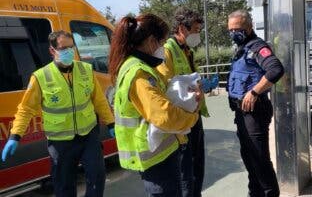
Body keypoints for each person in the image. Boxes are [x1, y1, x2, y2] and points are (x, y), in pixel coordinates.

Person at [1, 30, 115, 197]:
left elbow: (99, 101)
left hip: (88, 135)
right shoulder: (41, 77)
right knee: (64, 186)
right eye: (63, 48)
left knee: (97, 177)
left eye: (71, 47)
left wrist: (111, 122)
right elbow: (26, 109)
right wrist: (15, 136)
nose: (69, 52)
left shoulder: (85, 70)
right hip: (60, 142)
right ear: (52, 51)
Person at [108, 14, 201, 197]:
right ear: (151, 41)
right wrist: (193, 116)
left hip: (158, 151)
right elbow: (163, 115)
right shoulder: (138, 72)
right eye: (162, 42)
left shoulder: (139, 67)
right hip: (155, 156)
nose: (162, 48)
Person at [227, 10, 284, 197]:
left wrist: (254, 92)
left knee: (260, 161)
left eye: (237, 29)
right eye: (230, 30)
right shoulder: (242, 48)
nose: (233, 33)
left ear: (249, 28)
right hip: (242, 113)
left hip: (255, 112)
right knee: (250, 161)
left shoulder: (258, 47)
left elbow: (275, 69)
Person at [156, 7, 210, 197]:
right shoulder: (167, 51)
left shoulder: (188, 50)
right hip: (181, 120)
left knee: (197, 166)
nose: (197, 34)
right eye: (195, 29)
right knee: (186, 171)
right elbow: (167, 87)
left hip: (194, 115)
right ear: (181, 28)